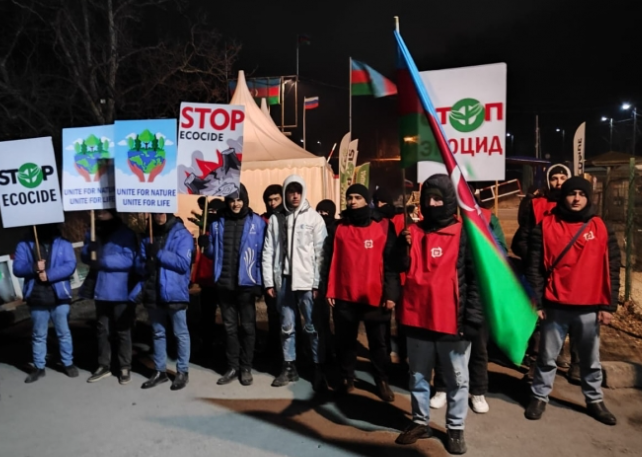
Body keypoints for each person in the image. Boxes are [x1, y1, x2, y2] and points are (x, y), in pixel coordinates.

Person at [395, 174, 481, 455]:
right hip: (418, 319)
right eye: (427, 199)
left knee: (457, 380)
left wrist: (471, 319)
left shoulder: (465, 233)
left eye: (438, 199)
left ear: (449, 202)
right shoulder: (412, 232)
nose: (431, 205)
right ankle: (420, 422)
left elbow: (476, 279)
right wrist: (401, 246)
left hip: (452, 323)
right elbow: (397, 266)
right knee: (418, 377)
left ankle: (455, 428)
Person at [524, 177, 619, 426]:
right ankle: (539, 396)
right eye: (571, 193)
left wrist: (609, 305)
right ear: (563, 196)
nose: (576, 198)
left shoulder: (601, 228)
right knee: (546, 357)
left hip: (589, 306)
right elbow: (534, 268)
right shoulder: (544, 227)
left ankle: (594, 399)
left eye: (582, 194)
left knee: (590, 359)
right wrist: (539, 301)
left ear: (589, 197)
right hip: (555, 306)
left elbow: (613, 267)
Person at [321, 184, 400, 402]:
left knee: (379, 344)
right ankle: (347, 377)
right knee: (345, 341)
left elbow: (392, 264)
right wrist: (329, 288)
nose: (352, 201)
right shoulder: (339, 227)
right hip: (345, 294)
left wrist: (392, 294)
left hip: (375, 295)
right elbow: (328, 260)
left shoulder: (384, 226)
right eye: (349, 197)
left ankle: (382, 380)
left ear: (367, 200)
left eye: (357, 197)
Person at [512, 164, 578, 378]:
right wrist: (535, 258)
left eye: (562, 177)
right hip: (541, 270)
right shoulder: (537, 203)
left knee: (569, 314)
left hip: (568, 271)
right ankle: (537, 359)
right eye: (555, 178)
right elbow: (522, 237)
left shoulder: (577, 204)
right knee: (542, 314)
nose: (559, 182)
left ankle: (564, 355)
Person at [262, 175, 327, 390]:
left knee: (312, 327)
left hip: (307, 283)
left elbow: (321, 254)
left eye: (298, 191)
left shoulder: (314, 219)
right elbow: (268, 250)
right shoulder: (276, 219)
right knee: (286, 326)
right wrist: (269, 281)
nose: (295, 195)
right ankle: (289, 366)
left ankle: (318, 367)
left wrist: (317, 283)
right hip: (284, 282)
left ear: (304, 191)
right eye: (291, 191)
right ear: (285, 193)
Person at [199, 184, 266, 386]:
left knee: (247, 328)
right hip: (225, 285)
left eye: (239, 199)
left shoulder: (257, 222)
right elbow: (213, 253)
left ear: (245, 200)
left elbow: (264, 254)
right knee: (229, 329)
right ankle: (232, 366)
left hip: (246, 286)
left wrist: (260, 282)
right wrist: (205, 244)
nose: (236, 204)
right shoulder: (218, 223)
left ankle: (246, 367)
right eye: (232, 200)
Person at [131, 213, 193, 391]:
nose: (160, 216)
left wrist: (159, 253)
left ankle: (182, 371)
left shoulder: (182, 234)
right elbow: (138, 263)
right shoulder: (147, 235)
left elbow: (182, 263)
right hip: (153, 290)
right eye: (156, 213)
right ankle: (160, 371)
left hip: (174, 291)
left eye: (163, 212)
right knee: (158, 333)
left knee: (180, 333)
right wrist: (145, 266)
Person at [13, 224, 78, 383]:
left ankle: (67, 363)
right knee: (38, 335)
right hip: (37, 296)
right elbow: (17, 269)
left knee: (63, 332)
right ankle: (39, 367)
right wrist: (33, 267)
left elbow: (70, 265)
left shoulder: (63, 243)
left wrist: (49, 274)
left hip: (59, 295)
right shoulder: (25, 244)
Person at [81, 209, 137, 385]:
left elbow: (129, 259)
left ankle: (124, 366)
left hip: (120, 288)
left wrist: (102, 260)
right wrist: (88, 252)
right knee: (102, 329)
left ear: (113, 213)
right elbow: (85, 256)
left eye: (104, 211)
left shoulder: (125, 233)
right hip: (100, 288)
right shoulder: (92, 231)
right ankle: (103, 365)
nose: (99, 214)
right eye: (98, 211)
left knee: (122, 329)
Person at [193, 198, 226, 360]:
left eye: (215, 211)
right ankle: (208, 344)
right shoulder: (206, 229)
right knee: (207, 315)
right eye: (210, 211)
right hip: (208, 280)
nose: (212, 214)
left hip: (223, 279)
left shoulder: (224, 228)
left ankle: (225, 344)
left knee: (228, 316)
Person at [260, 184, 285, 358]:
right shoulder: (262, 220)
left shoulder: (288, 217)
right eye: (269, 200)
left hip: (287, 274)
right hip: (268, 273)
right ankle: (274, 346)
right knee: (273, 313)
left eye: (276, 199)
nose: (273, 203)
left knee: (289, 315)